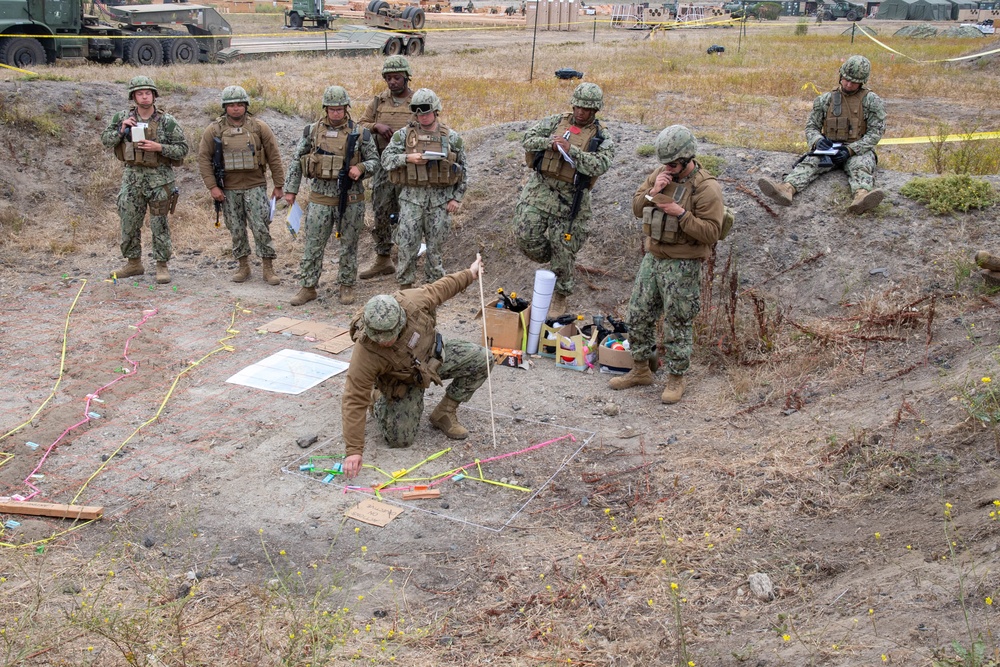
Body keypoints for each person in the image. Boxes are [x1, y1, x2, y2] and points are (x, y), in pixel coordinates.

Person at [340, 256, 492, 479]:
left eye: (390, 336)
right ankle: (378, 397)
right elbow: (353, 397)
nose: (386, 342)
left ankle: (445, 412)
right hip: (403, 380)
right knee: (400, 440)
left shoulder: (411, 301)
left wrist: (470, 273)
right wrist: (353, 451)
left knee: (483, 359)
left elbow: (443, 288)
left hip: (432, 356)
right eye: (380, 339)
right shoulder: (366, 352)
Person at [608, 125, 724, 404]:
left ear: (688, 159)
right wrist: (654, 189)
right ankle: (640, 370)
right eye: (665, 163)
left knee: (678, 322)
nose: (668, 168)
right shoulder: (660, 175)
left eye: (673, 164)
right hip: (654, 258)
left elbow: (712, 233)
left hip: (683, 264)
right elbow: (637, 209)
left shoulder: (707, 188)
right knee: (637, 314)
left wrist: (682, 214)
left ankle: (675, 378)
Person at [513, 82, 615, 318]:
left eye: (586, 109)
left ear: (595, 111)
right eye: (578, 107)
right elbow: (528, 139)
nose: (580, 112)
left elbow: (601, 164)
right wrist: (550, 142)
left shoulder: (601, 136)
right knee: (525, 235)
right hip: (540, 189)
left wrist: (574, 151)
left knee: (564, 247)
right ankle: (557, 260)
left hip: (571, 200)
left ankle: (560, 293)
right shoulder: (556, 122)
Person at [284, 86, 379, 306]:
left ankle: (346, 285)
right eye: (332, 109)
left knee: (349, 244)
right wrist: (291, 190)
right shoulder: (312, 131)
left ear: (347, 108)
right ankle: (308, 287)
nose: (336, 113)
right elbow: (297, 160)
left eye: (340, 109)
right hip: (320, 197)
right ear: (325, 109)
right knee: (313, 245)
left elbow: (376, 161)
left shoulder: (361, 133)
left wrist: (362, 168)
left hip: (351, 197)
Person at [758, 55, 887, 215]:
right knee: (810, 162)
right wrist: (818, 141)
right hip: (830, 148)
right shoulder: (825, 100)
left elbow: (876, 132)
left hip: (857, 150)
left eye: (853, 82)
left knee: (860, 166)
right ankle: (786, 189)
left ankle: (862, 196)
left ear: (862, 82)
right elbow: (811, 126)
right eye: (845, 79)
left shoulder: (872, 102)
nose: (848, 84)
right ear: (840, 75)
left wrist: (850, 150)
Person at [101, 75, 188, 284]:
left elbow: (182, 149)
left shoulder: (167, 121)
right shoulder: (122, 118)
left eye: (148, 93)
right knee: (128, 222)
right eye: (140, 93)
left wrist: (159, 148)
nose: (144, 97)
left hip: (160, 180)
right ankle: (133, 263)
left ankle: (161, 264)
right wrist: (121, 129)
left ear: (154, 96)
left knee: (159, 224)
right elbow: (106, 140)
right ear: (133, 97)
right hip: (132, 180)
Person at [197, 86, 285, 286]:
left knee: (260, 226)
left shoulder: (259, 127)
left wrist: (279, 184)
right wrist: (212, 187)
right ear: (224, 107)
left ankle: (268, 267)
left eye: (239, 104)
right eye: (231, 105)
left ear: (246, 106)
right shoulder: (214, 130)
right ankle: (243, 265)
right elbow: (204, 159)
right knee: (236, 228)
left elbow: (274, 156)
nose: (235, 109)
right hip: (228, 188)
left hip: (255, 185)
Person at [381, 88, 467, 289]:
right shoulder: (404, 135)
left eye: (426, 111)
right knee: (407, 244)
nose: (422, 116)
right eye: (418, 112)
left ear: (436, 110)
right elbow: (385, 160)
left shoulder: (451, 137)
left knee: (435, 247)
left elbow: (464, 169)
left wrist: (457, 198)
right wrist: (407, 158)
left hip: (440, 200)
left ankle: (434, 287)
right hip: (412, 198)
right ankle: (405, 286)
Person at [357, 56, 416, 282]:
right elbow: (360, 124)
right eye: (388, 78)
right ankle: (383, 258)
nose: (392, 82)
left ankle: (407, 259)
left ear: (406, 78)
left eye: (397, 78)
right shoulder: (378, 102)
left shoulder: (416, 100)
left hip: (409, 167)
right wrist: (376, 126)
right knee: (381, 209)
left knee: (408, 214)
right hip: (384, 164)